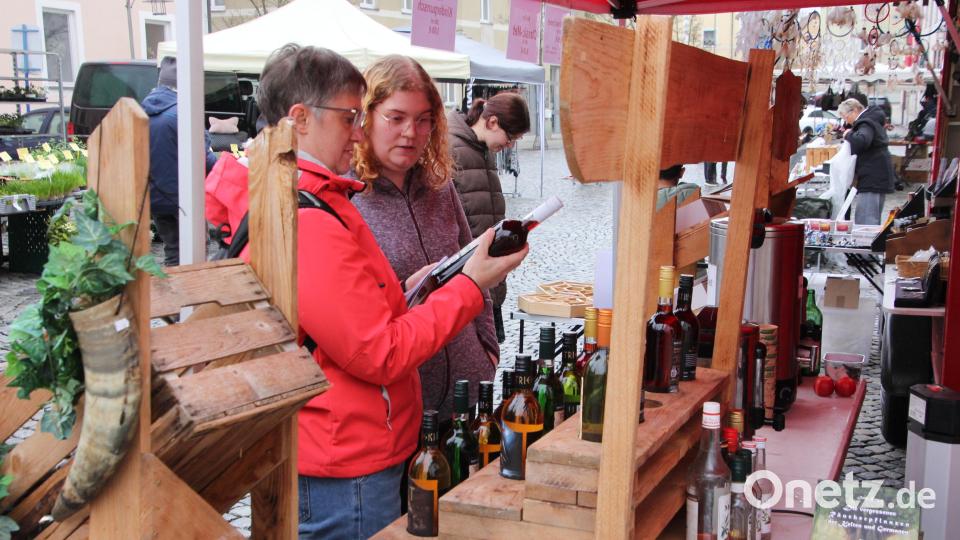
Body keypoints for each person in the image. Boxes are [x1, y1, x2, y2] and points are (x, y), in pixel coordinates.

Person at [223, 45, 528, 539]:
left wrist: (422, 300)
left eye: (424, 119)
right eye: (350, 117)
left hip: (364, 448)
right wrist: (470, 285)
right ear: (300, 119)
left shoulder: (323, 201)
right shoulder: (308, 217)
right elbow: (379, 351)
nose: (360, 131)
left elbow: (356, 321)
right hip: (346, 461)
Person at [350, 55, 500, 423]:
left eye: (423, 120)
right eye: (396, 118)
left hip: (469, 394)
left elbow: (473, 268)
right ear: (366, 116)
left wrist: (487, 348)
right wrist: (404, 289)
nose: (410, 133)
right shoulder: (347, 198)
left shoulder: (439, 187)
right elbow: (354, 324)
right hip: (398, 409)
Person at [447, 92, 531, 343]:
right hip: (466, 277)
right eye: (510, 138)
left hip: (488, 276)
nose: (510, 146)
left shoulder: (484, 149)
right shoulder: (451, 148)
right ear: (492, 122)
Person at [141, 56, 217, 266]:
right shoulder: (184, 113)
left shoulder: (141, 111)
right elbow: (206, 160)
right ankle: (190, 296)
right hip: (185, 200)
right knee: (196, 253)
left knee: (172, 250)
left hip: (154, 197)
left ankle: (175, 294)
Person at [837, 98, 896, 225]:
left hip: (872, 177)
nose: (846, 121)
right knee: (872, 218)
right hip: (878, 174)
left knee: (866, 220)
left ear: (854, 111)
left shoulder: (865, 123)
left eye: (845, 116)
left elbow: (862, 141)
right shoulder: (872, 120)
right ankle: (870, 243)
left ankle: (866, 245)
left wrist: (848, 134)